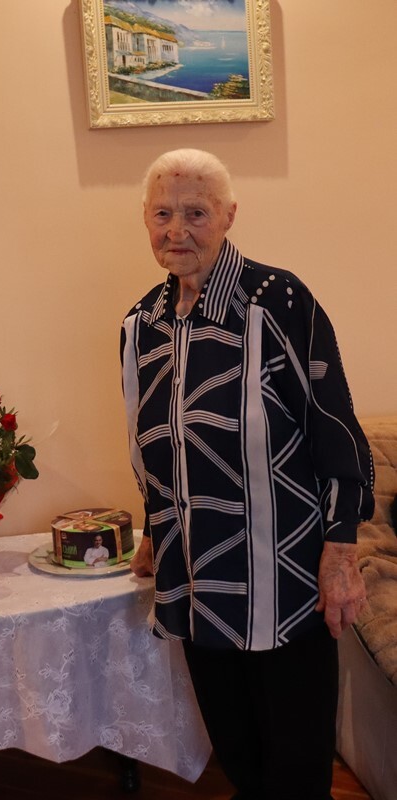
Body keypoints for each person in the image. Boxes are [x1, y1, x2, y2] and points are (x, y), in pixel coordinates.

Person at [120, 149, 374, 800]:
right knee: (236, 750)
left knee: (297, 761)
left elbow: (334, 428)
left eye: (196, 213)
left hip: (283, 574)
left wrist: (342, 552)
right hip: (194, 574)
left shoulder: (277, 300)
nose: (177, 230)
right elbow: (154, 445)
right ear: (145, 220)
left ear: (229, 215)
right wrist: (152, 531)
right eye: (162, 214)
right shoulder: (140, 325)